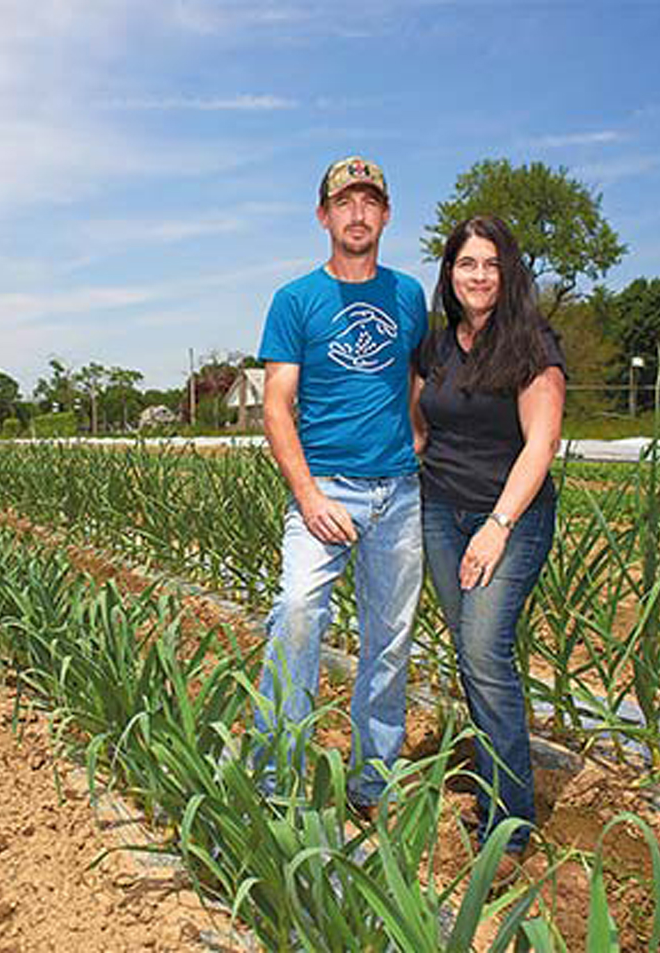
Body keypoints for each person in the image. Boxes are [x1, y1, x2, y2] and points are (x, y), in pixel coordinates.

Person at [253, 155, 428, 812]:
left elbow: (414, 378)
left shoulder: (408, 295)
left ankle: (372, 785)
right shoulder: (296, 300)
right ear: (324, 216)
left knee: (390, 638)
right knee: (297, 615)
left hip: (398, 495)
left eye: (370, 201)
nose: (358, 213)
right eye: (344, 202)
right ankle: (273, 784)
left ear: (386, 215)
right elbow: (277, 406)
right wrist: (309, 495)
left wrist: (416, 436)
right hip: (324, 490)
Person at [410, 215, 565, 855]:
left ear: (509, 274)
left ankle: (511, 819)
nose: (479, 276)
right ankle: (492, 793)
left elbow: (542, 443)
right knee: (471, 653)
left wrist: (498, 526)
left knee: (482, 650)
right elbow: (419, 430)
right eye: (467, 264)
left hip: (511, 517)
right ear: (450, 274)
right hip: (440, 513)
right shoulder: (435, 348)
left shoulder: (532, 345)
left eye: (491, 265)